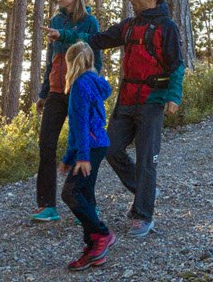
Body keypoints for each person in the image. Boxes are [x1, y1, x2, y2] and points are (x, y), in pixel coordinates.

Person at [49, 0, 181, 238]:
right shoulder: (129, 25)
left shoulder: (167, 27)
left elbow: (177, 65)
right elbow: (97, 39)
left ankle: (142, 214)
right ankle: (145, 189)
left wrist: (173, 97)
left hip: (152, 101)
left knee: (147, 159)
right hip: (127, 100)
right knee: (110, 148)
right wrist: (63, 34)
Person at [32, 0, 103, 223]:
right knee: (46, 145)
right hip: (55, 91)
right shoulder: (56, 20)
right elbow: (51, 59)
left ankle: (86, 203)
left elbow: (94, 55)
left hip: (79, 91)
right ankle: (47, 205)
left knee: (82, 144)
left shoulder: (90, 22)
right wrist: (43, 92)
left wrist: (94, 92)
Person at [59, 42, 115, 270]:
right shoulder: (92, 81)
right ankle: (94, 249)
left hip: (90, 148)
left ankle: (102, 235)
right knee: (85, 193)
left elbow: (80, 125)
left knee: (69, 192)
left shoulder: (80, 85)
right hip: (95, 145)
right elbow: (78, 127)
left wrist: (81, 157)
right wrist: (68, 157)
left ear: (70, 62)